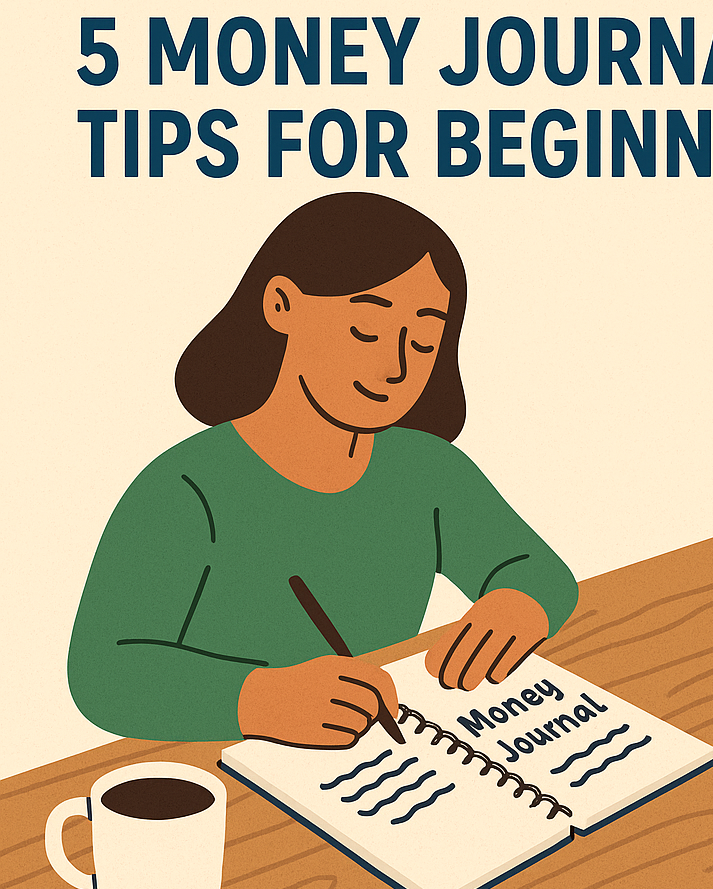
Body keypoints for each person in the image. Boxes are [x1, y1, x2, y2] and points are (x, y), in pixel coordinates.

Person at [68, 193, 578, 749]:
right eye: (366, 330)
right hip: (223, 770)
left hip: (379, 756)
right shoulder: (184, 491)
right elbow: (103, 673)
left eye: (425, 340)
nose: (397, 367)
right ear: (283, 304)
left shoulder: (426, 470)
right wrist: (256, 699)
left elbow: (537, 569)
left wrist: (518, 602)